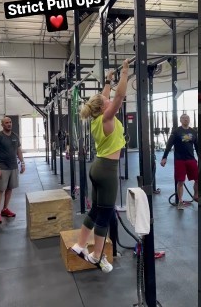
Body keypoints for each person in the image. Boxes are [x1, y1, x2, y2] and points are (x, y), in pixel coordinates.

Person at [70, 60, 131, 273]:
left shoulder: (97, 117)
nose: (107, 98)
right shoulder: (107, 117)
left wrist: (108, 80)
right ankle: (96, 255)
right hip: (107, 171)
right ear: (104, 106)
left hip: (97, 168)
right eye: (106, 100)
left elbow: (104, 96)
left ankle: (79, 245)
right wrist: (124, 72)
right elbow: (120, 97)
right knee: (105, 215)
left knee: (95, 209)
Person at [161, 113, 199, 209]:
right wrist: (164, 157)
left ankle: (196, 195)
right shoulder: (176, 131)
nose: (186, 120)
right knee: (181, 181)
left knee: (198, 179)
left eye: (187, 118)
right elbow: (169, 145)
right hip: (180, 161)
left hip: (191, 160)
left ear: (189, 120)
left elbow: (197, 147)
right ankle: (180, 201)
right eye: (184, 118)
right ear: (180, 120)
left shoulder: (193, 132)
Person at [0, 116, 25, 224]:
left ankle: (5, 209)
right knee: (0, 190)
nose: (9, 124)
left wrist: (22, 163)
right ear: (2, 125)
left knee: (10, 188)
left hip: (13, 167)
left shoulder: (15, 136)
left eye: (10, 122)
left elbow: (19, 150)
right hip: (3, 167)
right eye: (6, 123)